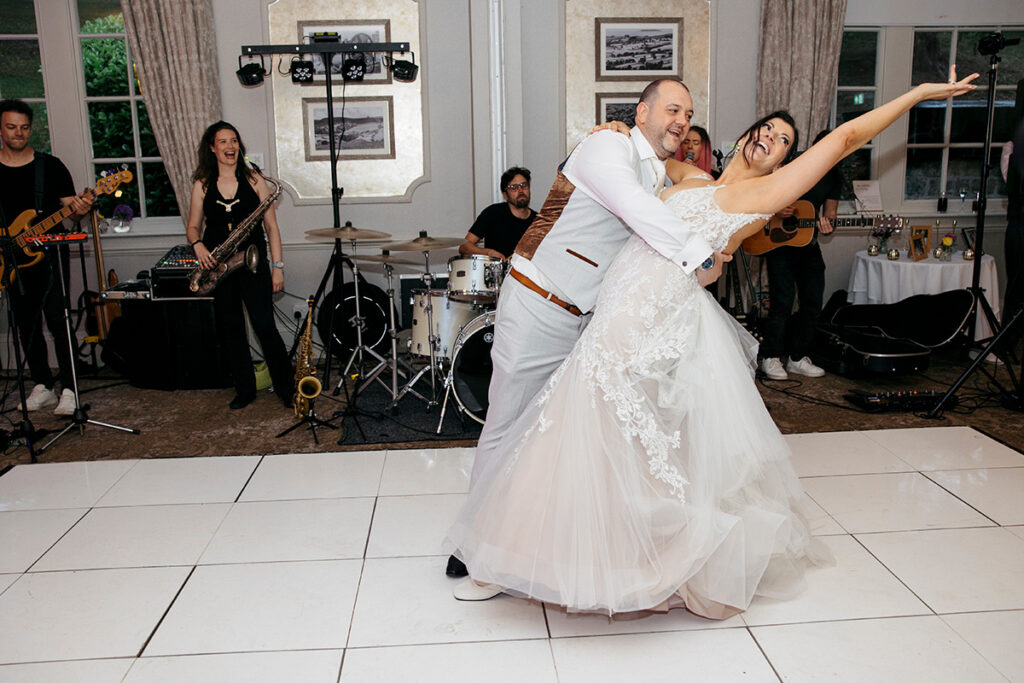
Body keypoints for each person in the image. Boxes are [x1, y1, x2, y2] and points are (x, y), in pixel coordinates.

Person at [446, 68, 977, 617]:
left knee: (592, 435)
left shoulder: (764, 193)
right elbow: (639, 167)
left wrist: (917, 94)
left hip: (648, 322)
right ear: (746, 133)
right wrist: (617, 132)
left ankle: (550, 558)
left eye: (785, 144)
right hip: (609, 311)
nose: (772, 139)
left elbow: (842, 140)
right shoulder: (688, 174)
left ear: (784, 164)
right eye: (768, 129)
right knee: (569, 434)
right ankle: (521, 552)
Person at [445, 78, 722, 579]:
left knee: (559, 435)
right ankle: (470, 542)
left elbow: (670, 181)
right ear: (641, 112)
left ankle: (534, 539)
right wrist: (697, 253)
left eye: (688, 114)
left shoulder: (657, 171)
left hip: (592, 321)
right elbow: (630, 204)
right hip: (537, 304)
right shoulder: (604, 145)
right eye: (672, 110)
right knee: (508, 422)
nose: (681, 121)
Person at [186, 121, 292, 410]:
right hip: (218, 266)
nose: (230, 146)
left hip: (253, 262)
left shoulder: (255, 179)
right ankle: (244, 389)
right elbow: (193, 226)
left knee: (264, 325)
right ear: (212, 147)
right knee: (231, 328)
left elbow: (271, 227)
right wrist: (199, 246)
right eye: (223, 142)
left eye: (233, 141)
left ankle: (286, 386)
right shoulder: (202, 184)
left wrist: (278, 266)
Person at [0, 99, 94, 416]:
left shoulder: (50, 167)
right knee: (25, 323)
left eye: (24, 127)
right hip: (9, 259)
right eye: (12, 127)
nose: (18, 133)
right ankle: (43, 385)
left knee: (58, 318)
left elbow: (71, 213)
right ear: (1, 129)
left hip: (50, 255)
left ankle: (69, 388)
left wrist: (81, 209)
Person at [760, 129, 842, 380]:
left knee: (813, 302)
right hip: (779, 244)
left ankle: (797, 357)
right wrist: (776, 210)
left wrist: (828, 224)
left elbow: (831, 215)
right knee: (782, 302)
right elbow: (764, 194)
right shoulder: (792, 163)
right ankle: (771, 356)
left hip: (809, 245)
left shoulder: (835, 177)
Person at [458, 167, 537, 260]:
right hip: (496, 272)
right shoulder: (492, 213)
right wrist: (488, 252)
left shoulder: (539, 221)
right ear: (505, 195)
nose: (520, 190)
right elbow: (464, 247)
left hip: (527, 273)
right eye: (513, 188)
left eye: (524, 185)